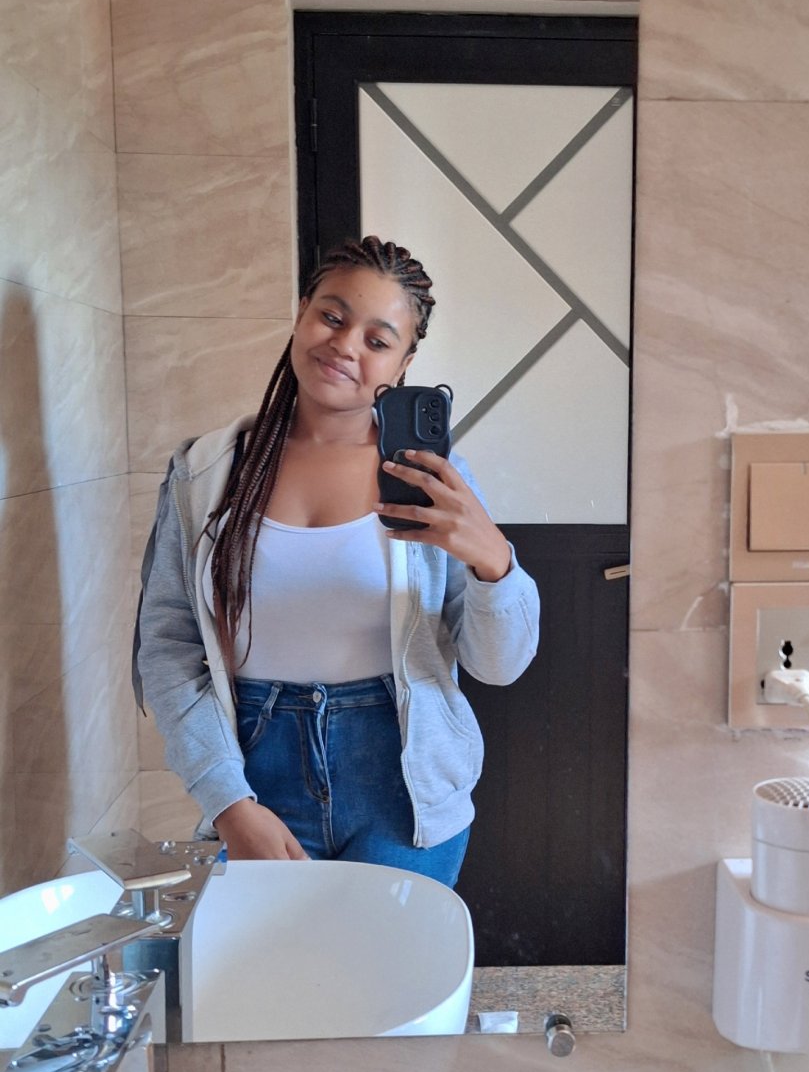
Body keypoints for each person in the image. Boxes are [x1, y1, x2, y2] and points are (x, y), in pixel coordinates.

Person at [134, 236, 539, 887]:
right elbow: (167, 647)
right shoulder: (206, 472)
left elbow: (499, 665)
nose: (346, 345)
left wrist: (494, 563)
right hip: (254, 779)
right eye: (332, 316)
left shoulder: (435, 482)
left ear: (404, 364)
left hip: (404, 790)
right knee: (262, 958)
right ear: (302, 314)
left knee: (388, 959)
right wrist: (229, 803)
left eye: (377, 340)